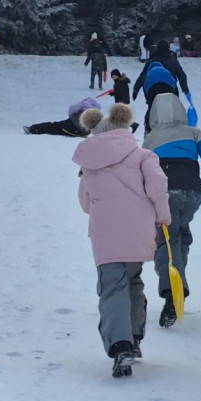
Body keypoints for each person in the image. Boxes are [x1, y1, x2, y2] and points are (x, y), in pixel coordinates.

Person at [73, 104, 172, 376]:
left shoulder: (88, 164)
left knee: (111, 288)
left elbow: (85, 203)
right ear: (124, 128)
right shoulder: (144, 156)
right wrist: (163, 218)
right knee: (132, 281)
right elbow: (157, 187)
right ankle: (135, 338)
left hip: (105, 234)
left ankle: (120, 345)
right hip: (139, 231)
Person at [142, 93, 201, 327]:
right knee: (180, 235)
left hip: (164, 192)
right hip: (192, 192)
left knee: (166, 239)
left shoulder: (151, 138)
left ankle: (172, 292)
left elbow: (141, 168)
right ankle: (178, 282)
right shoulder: (194, 132)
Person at [23, 97, 100, 137]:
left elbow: (71, 109)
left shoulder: (83, 105)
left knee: (53, 126)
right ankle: (34, 129)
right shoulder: (96, 111)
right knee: (55, 128)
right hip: (83, 132)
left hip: (72, 125)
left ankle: (32, 129)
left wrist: (81, 103)